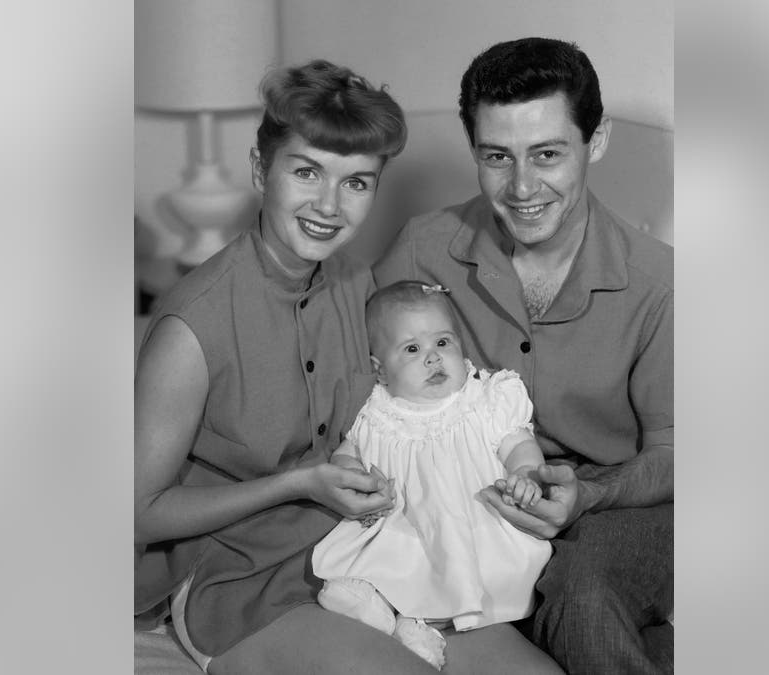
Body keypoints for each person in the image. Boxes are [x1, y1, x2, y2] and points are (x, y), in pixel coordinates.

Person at [135, 59, 559, 675]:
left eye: (356, 182)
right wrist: (296, 483)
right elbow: (138, 511)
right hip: (238, 579)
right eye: (307, 172)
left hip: (374, 555)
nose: (329, 205)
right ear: (261, 170)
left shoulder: (358, 283)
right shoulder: (190, 326)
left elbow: (418, 390)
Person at [374, 37, 674, 674]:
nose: (522, 186)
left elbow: (677, 455)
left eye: (547, 154)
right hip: (471, 503)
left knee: (585, 600)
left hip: (618, 505)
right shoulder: (420, 250)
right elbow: (359, 386)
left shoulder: (661, 284)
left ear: (596, 141)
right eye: (497, 157)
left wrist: (589, 498)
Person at [311, 281, 555, 671]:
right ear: (381, 370)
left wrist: (525, 473)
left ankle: (419, 625)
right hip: (406, 526)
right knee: (388, 564)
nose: (433, 358)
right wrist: (355, 477)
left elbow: (517, 442)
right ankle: (388, 611)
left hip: (473, 524)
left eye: (443, 343)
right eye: (412, 349)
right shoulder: (378, 412)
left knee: (468, 574)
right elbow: (346, 455)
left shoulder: (484, 399)